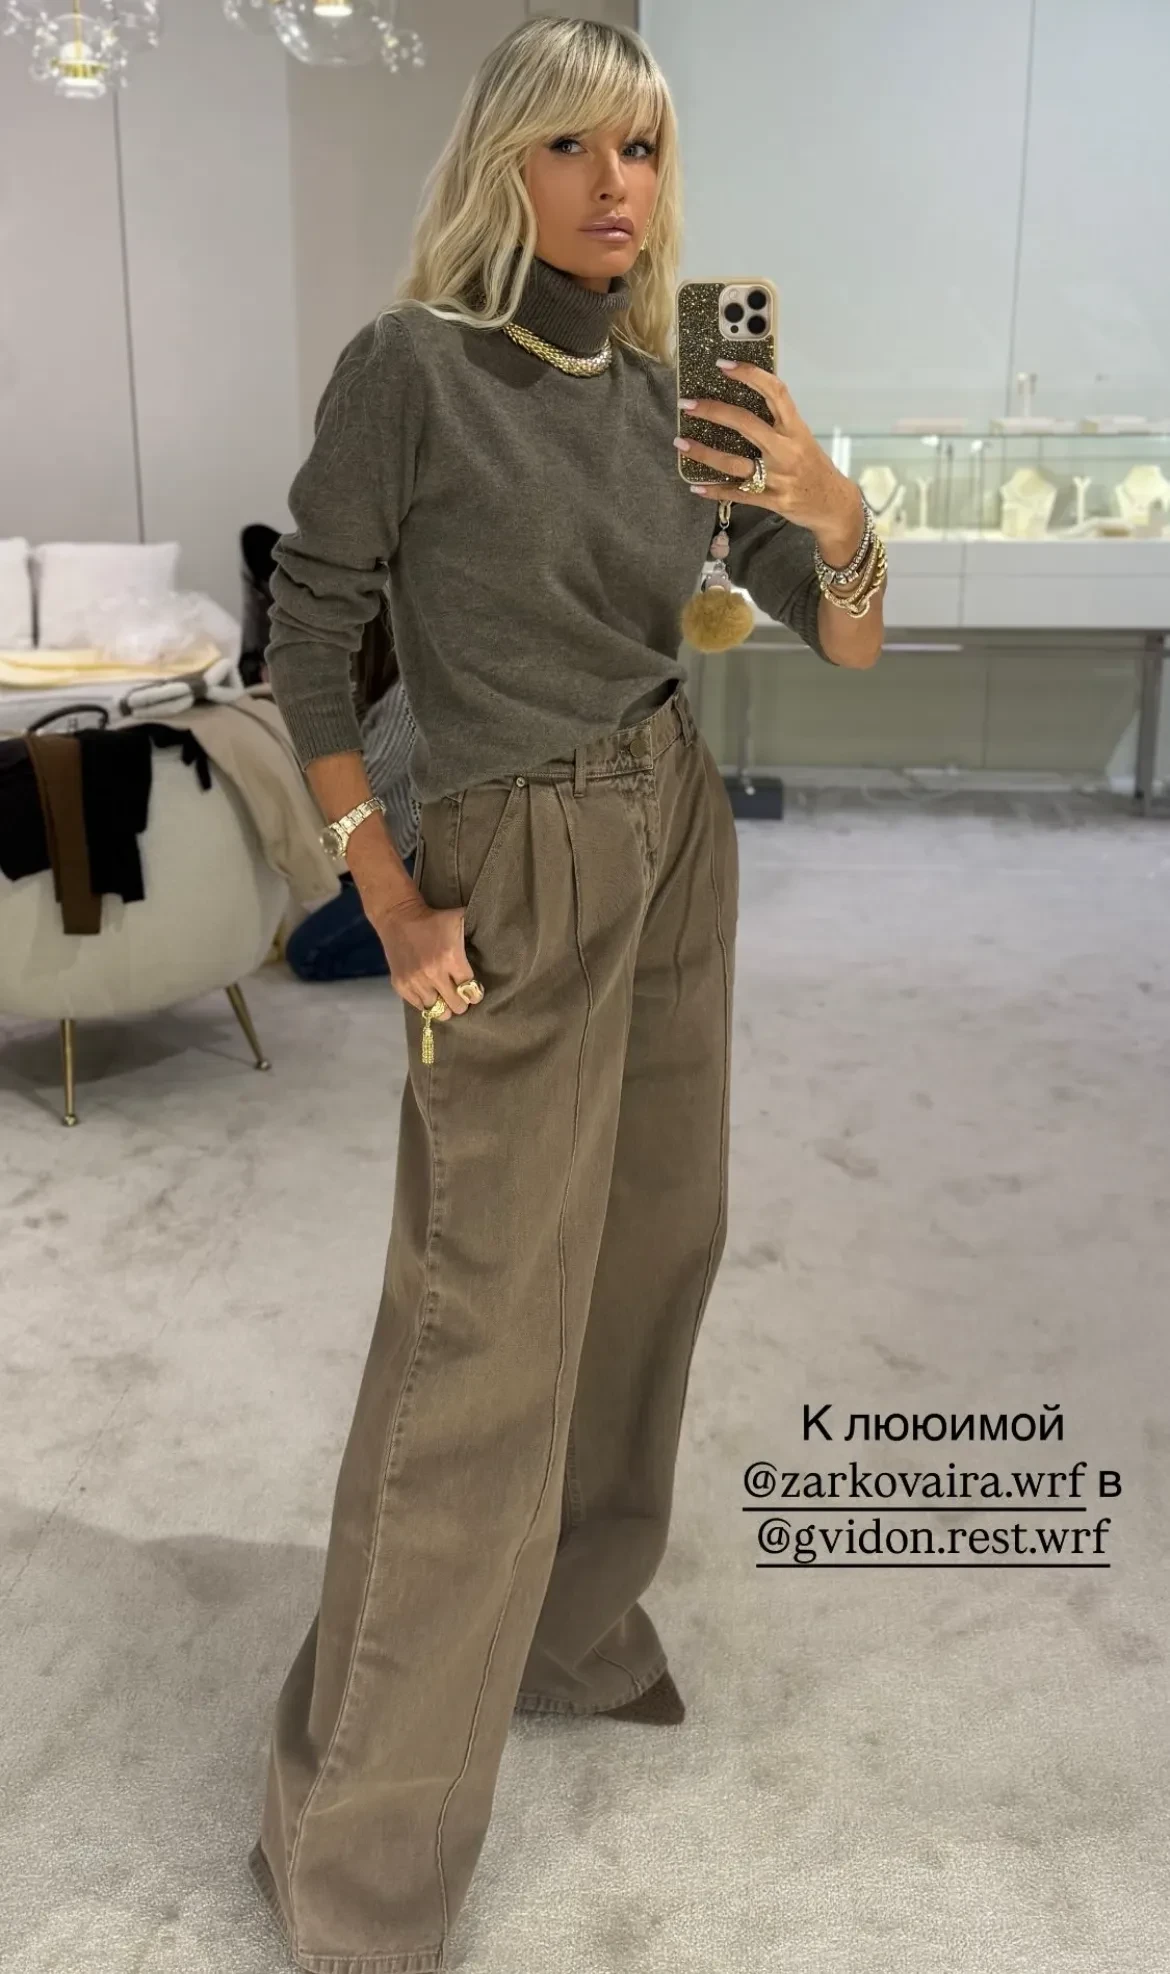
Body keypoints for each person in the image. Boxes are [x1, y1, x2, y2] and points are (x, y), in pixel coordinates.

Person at [248, 18, 885, 1973]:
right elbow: (309, 637)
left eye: (645, 149)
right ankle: (355, 1850)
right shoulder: (412, 368)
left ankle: (572, 1630)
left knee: (652, 1249)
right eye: (575, 148)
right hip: (510, 849)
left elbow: (846, 642)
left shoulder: (691, 384)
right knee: (481, 1325)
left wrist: (832, 503)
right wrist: (383, 888)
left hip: (674, 817)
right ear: (502, 161)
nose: (618, 186)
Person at [283, 598, 420, 981]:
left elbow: (363, 780)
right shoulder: (387, 687)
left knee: (308, 955)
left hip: (414, 859)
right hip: (390, 850)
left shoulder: (409, 695)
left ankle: (447, 952)